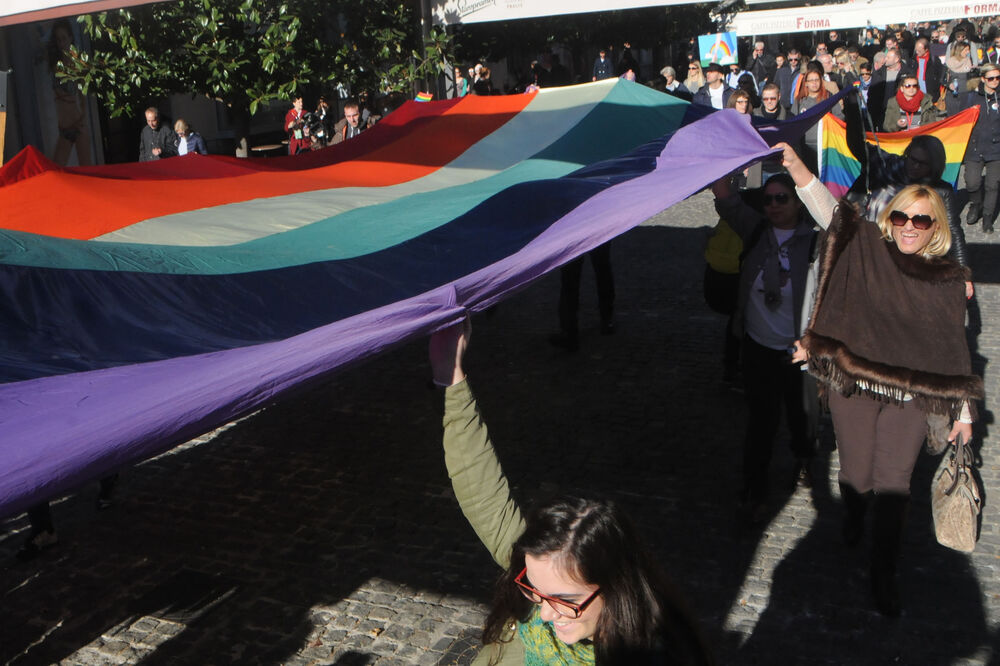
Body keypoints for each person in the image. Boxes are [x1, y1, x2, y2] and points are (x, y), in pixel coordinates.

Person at [428, 320, 715, 665]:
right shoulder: (547, 575)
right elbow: (484, 495)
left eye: (564, 600)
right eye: (534, 590)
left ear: (616, 586)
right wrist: (452, 378)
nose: (545, 615)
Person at [781, 145, 981, 617]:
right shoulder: (870, 247)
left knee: (894, 484)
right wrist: (795, 166)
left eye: (922, 221)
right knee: (856, 474)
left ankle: (883, 570)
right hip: (857, 387)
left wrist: (964, 414)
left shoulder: (948, 280)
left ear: (937, 229)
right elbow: (831, 213)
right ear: (889, 218)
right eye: (902, 218)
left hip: (910, 399)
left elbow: (955, 350)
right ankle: (852, 511)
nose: (909, 227)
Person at [711, 173, 818, 522]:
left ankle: (803, 458)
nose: (773, 205)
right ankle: (753, 492)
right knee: (761, 424)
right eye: (768, 199)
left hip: (797, 353)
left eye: (781, 198)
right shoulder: (756, 230)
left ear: (798, 201)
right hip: (758, 348)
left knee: (801, 419)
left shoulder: (815, 243)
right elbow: (727, 199)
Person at [549, 243, 615, 352]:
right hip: (594, 229)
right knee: (602, 269)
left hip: (574, 233)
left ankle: (569, 332)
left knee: (570, 279)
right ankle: (607, 320)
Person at [961, 62, 1000, 232]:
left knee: (993, 185)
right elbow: (960, 121)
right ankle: (976, 204)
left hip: (996, 149)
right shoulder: (971, 98)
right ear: (983, 79)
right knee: (972, 183)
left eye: (998, 78)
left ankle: (987, 218)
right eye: (991, 78)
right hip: (975, 148)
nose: (995, 81)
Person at [47, 19, 92, 166]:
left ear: (71, 38)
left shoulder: (77, 64)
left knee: (88, 170)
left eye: (64, 38)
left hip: (77, 123)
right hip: (64, 128)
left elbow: (83, 95)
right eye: (58, 40)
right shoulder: (56, 65)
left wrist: (83, 119)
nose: (62, 43)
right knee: (56, 169)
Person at [945, 41, 974, 117]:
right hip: (953, 95)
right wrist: (949, 85)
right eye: (966, 50)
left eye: (968, 50)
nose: (968, 52)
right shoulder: (950, 62)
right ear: (959, 50)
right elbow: (944, 79)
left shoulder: (968, 61)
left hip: (965, 93)